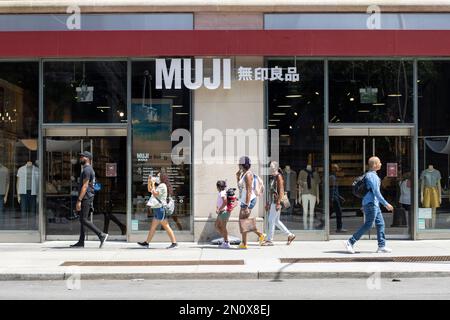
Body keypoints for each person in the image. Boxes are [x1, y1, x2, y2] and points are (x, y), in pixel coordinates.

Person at [345, 156, 394, 254]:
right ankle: (350, 242)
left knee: (380, 224)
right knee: (368, 225)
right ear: (375, 165)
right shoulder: (372, 176)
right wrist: (386, 204)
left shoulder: (371, 175)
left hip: (373, 203)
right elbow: (376, 192)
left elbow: (369, 192)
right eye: (379, 162)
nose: (381, 164)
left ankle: (381, 246)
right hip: (371, 204)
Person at [70, 151, 108, 248]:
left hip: (86, 197)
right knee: (82, 219)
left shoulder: (87, 170)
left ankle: (101, 235)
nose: (80, 159)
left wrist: (79, 200)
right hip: (87, 196)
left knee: (83, 219)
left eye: (82, 157)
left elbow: (85, 186)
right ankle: (81, 241)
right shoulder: (88, 169)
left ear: (87, 158)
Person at [138, 171, 178, 249]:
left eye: (158, 176)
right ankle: (146, 243)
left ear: (162, 178)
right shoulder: (160, 185)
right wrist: (149, 181)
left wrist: (152, 183)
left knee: (166, 226)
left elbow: (155, 193)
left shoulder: (162, 185)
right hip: (157, 209)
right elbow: (150, 190)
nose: (157, 177)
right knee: (153, 227)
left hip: (160, 209)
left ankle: (174, 243)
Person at [263, 161, 296, 246]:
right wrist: (268, 202)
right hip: (273, 201)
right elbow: (270, 191)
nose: (271, 167)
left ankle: (270, 240)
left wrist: (278, 203)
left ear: (276, 167)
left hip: (277, 201)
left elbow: (281, 190)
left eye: (272, 166)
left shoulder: (279, 177)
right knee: (276, 221)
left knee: (271, 220)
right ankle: (290, 235)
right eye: (270, 166)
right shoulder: (272, 177)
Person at [236, 156, 266, 249]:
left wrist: (247, 206)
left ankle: (247, 242)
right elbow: (241, 188)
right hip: (245, 200)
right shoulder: (244, 174)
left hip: (248, 201)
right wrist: (237, 177)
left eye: (239, 164)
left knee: (243, 222)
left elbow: (249, 190)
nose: (238, 165)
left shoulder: (248, 174)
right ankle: (248, 241)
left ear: (242, 165)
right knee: (244, 222)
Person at [330, 164, 346, 233]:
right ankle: (339, 228)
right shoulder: (332, 177)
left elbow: (334, 190)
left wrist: (340, 197)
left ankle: (322, 225)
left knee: (329, 212)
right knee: (339, 212)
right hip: (334, 198)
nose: (337, 170)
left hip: (335, 197)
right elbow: (332, 189)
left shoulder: (333, 177)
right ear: (333, 169)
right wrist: (332, 198)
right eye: (336, 168)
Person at [215, 180, 231, 249]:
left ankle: (226, 242)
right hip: (222, 212)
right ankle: (226, 239)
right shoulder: (222, 192)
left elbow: (225, 201)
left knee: (223, 227)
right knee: (217, 226)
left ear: (218, 187)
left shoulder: (222, 193)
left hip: (223, 212)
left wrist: (219, 209)